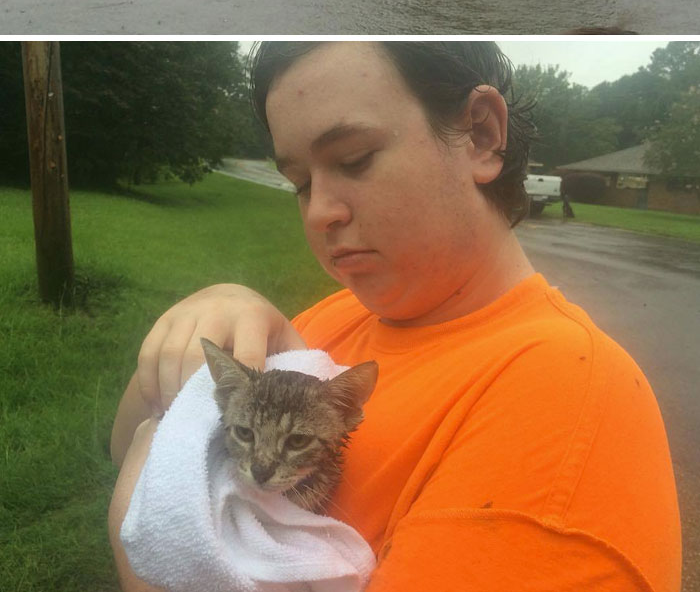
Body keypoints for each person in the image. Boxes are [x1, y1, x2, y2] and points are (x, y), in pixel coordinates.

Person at [109, 41, 681, 592]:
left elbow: (143, 478)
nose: (321, 213)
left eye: (354, 160)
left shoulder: (567, 394)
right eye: (301, 184)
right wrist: (185, 338)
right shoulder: (329, 323)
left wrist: (144, 544)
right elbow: (132, 441)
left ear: (481, 135)